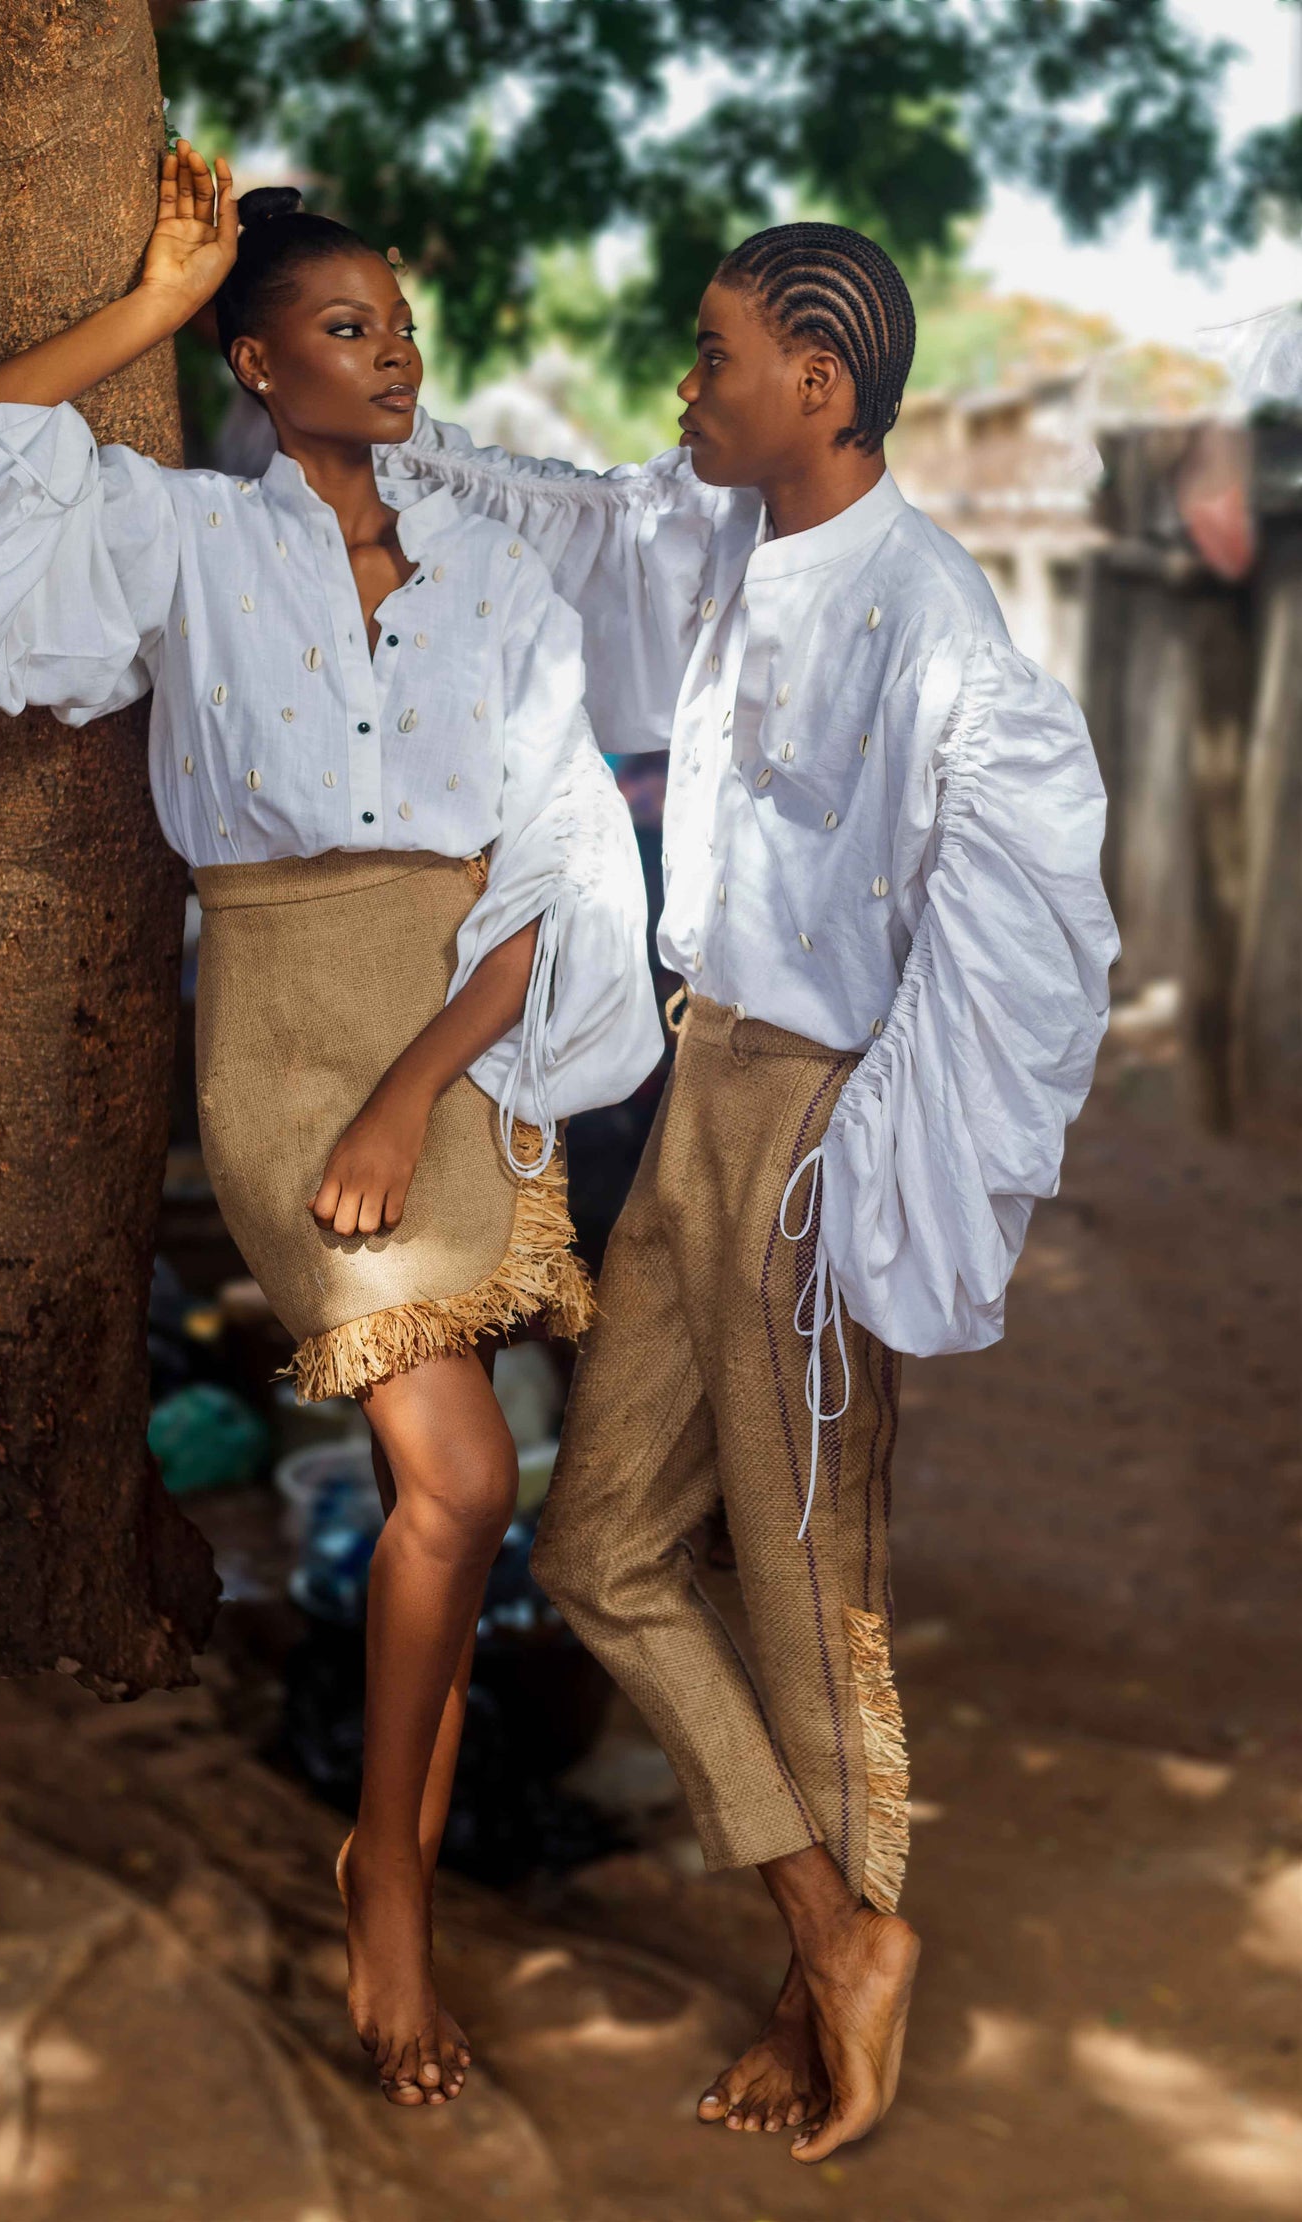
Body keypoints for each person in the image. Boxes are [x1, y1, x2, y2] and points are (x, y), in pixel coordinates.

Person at [0, 147, 660, 2110]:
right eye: (344, 325)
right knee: (460, 1475)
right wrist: (145, 297)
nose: (392, 356)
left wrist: (433, 1083)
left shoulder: (495, 565)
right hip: (293, 1029)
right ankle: (387, 1884)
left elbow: (547, 862)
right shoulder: (187, 548)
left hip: (456, 1026)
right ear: (254, 359)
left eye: (400, 325)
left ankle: (402, 1838)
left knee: (477, 1489)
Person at [375, 221, 1119, 2163]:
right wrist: (373, 415)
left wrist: (891, 1173)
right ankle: (839, 1930)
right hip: (700, 1081)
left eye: (713, 359)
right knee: (607, 1548)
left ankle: (824, 1993)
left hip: (811, 1121)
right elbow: (563, 515)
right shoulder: (718, 536)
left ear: (822, 382)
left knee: (808, 1585)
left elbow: (1036, 943)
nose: (687, 389)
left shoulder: (938, 627)